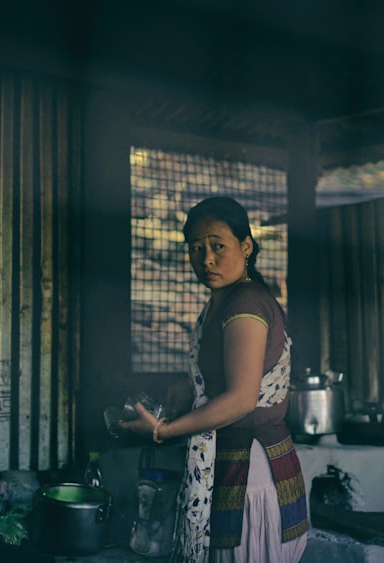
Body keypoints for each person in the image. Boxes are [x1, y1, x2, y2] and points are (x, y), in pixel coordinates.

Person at [121, 196, 309, 563]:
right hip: (238, 465)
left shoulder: (245, 306)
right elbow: (229, 375)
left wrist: (163, 430)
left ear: (246, 246)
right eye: (195, 248)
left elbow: (241, 399)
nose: (206, 259)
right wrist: (190, 388)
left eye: (217, 246)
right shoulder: (223, 302)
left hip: (252, 472)